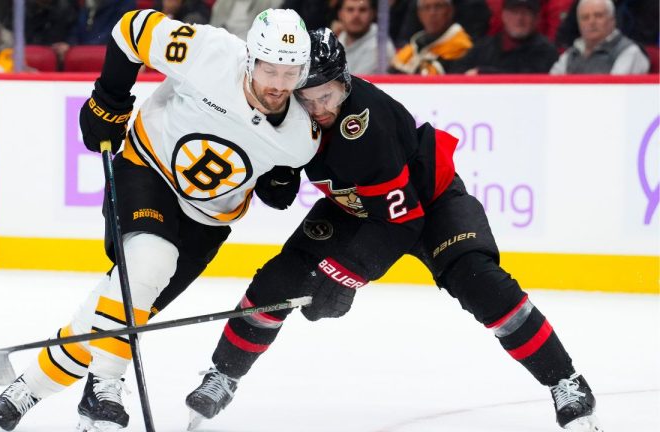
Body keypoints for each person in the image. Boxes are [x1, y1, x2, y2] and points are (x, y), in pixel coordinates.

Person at [184, 27, 604, 432]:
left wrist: (340, 277)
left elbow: (403, 223)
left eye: (326, 96)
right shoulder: (295, 111)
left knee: (481, 283)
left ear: (344, 82)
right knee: (280, 278)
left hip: (430, 204)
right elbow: (282, 183)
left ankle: (565, 381)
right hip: (356, 206)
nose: (318, 110)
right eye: (306, 99)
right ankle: (222, 375)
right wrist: (275, 174)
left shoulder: (367, 127)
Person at [0, 7, 320, 432]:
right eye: (270, 70)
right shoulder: (209, 52)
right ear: (250, 58)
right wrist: (109, 100)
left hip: (207, 223)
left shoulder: (300, 136)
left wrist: (279, 179)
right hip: (147, 171)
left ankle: (24, 390)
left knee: (121, 313)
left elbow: (286, 172)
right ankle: (103, 386)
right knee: (150, 260)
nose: (278, 85)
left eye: (291, 74)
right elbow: (132, 29)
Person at [454, 0, 559, 74]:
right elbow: (457, 72)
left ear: (537, 18)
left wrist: (483, 73)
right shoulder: (484, 47)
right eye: (514, 12)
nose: (519, 18)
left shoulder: (547, 51)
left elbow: (527, 81)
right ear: (503, 15)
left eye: (526, 13)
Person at [550, 0, 649, 74]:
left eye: (598, 16)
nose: (591, 22)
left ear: (612, 20)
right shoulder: (570, 54)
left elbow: (615, 92)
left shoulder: (629, 52)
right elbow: (551, 86)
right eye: (585, 18)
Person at [389, 0, 473, 74]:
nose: (432, 13)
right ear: (419, 14)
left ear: (450, 11)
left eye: (438, 6)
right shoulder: (413, 46)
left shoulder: (461, 45)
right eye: (426, 7)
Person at [335, 0, 395, 75]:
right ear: (340, 14)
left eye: (362, 10)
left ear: (372, 14)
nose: (356, 15)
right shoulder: (340, 38)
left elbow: (353, 83)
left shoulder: (381, 47)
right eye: (350, 10)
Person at [209, 0, 282, 40]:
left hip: (246, 42)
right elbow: (214, 24)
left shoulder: (265, 3)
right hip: (222, 38)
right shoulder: (224, 3)